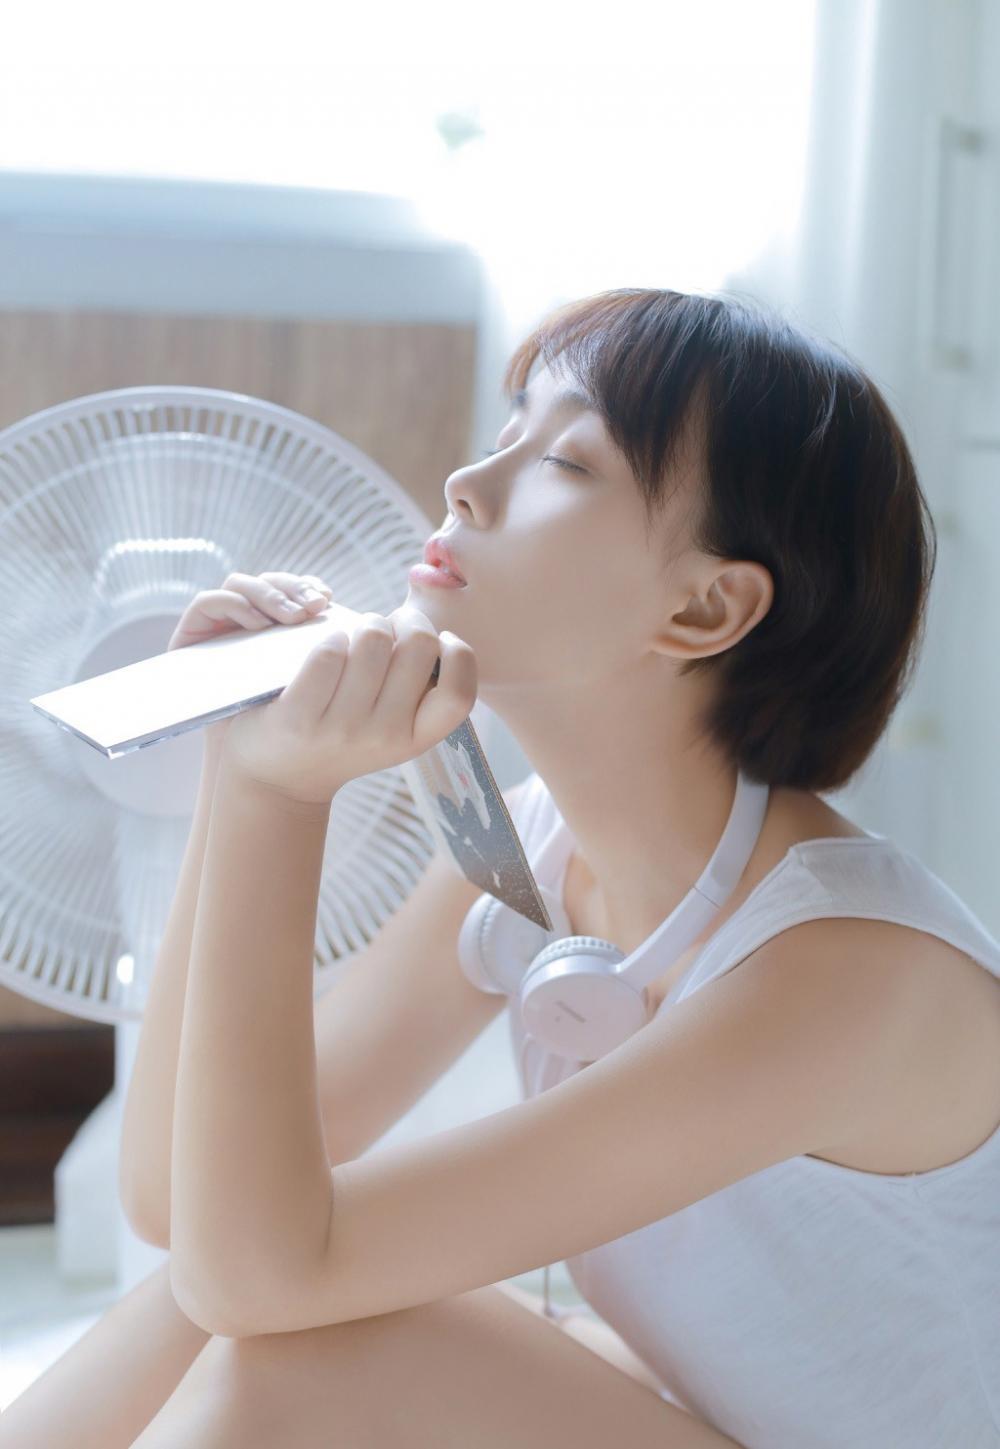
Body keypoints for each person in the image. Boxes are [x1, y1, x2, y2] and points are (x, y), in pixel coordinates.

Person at [3, 287, 997, 1449]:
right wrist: (242, 759)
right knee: (234, 1319)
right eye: (506, 430)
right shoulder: (531, 848)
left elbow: (264, 1276)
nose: (468, 483)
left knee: (305, 1353)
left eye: (566, 464)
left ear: (706, 606)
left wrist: (288, 800)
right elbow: (178, 1204)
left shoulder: (845, 974)